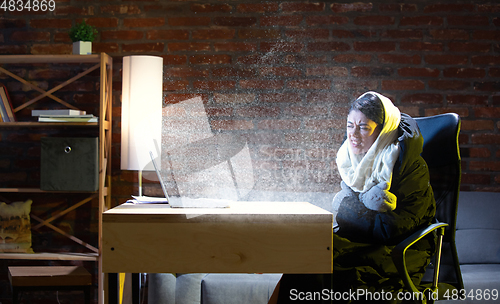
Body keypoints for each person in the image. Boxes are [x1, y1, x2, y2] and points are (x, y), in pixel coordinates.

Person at [271, 92, 436, 303]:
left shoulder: (410, 168)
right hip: (363, 245)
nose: (353, 135)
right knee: (308, 256)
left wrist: (347, 207)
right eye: (350, 126)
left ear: (384, 130)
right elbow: (349, 217)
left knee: (321, 268)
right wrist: (351, 209)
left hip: (399, 253)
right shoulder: (352, 162)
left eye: (364, 127)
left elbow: (389, 229)